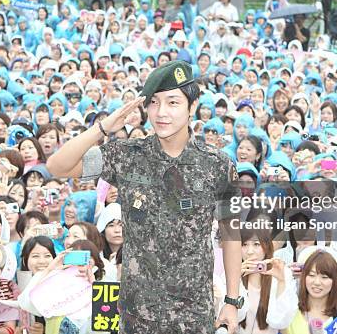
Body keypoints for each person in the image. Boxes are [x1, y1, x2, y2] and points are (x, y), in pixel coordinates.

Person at [47, 60, 243, 333]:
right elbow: (57, 166)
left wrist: (232, 301)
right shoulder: (126, 156)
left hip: (193, 314)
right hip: (137, 315)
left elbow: (232, 234)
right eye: (153, 102)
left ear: (192, 107)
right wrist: (104, 127)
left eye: (173, 102)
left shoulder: (218, 165)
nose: (161, 112)